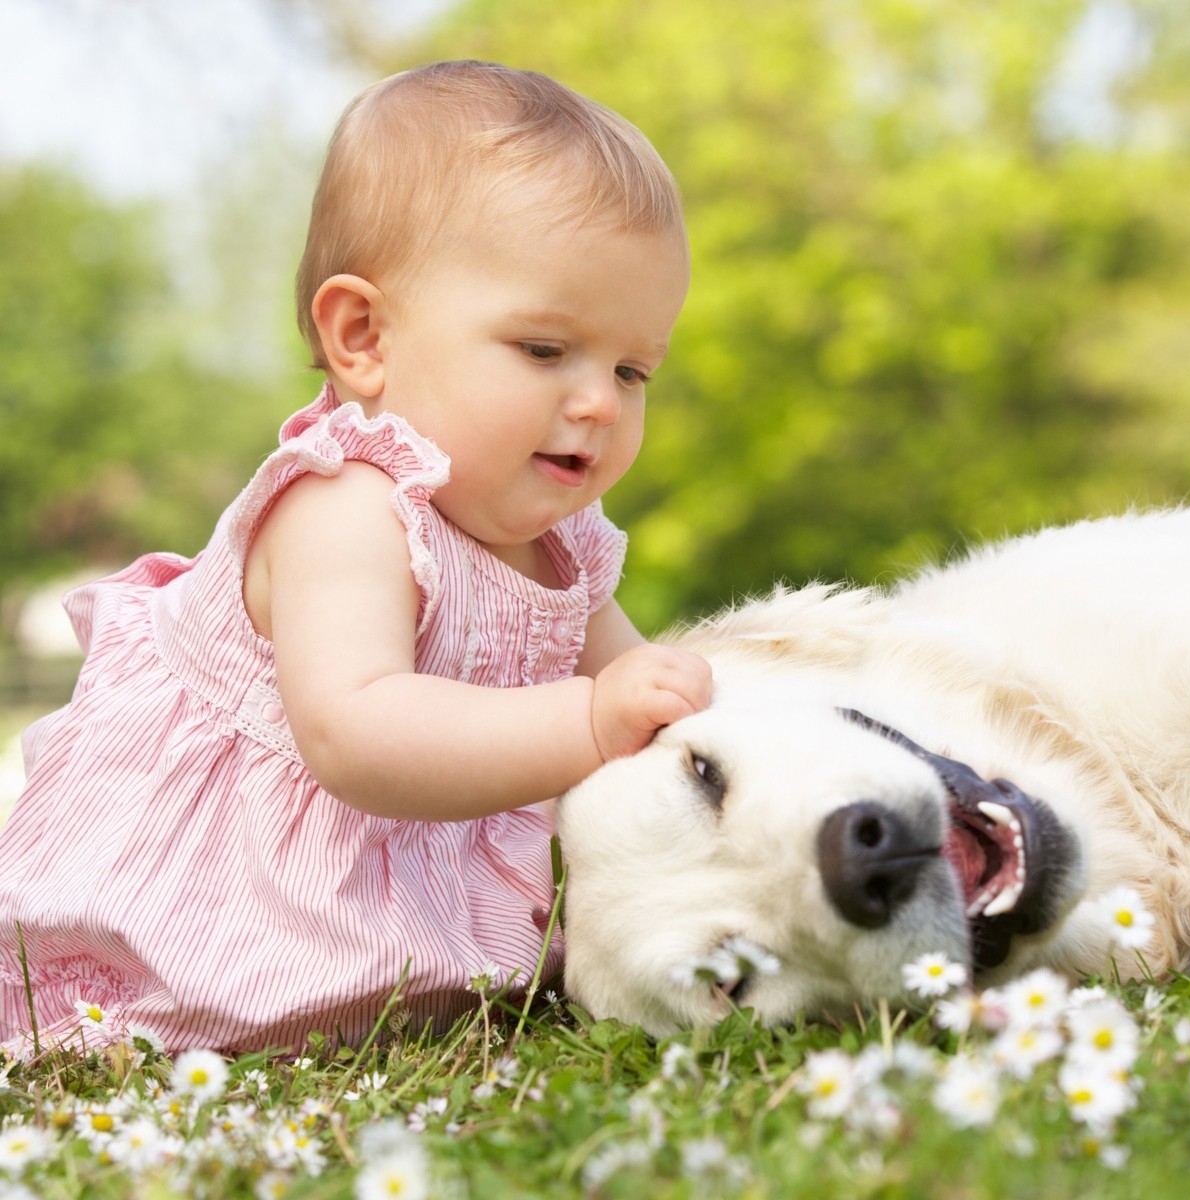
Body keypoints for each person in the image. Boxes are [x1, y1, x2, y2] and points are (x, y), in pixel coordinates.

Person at [0, 60, 713, 1056]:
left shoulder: (566, 548)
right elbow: (358, 733)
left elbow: (645, 692)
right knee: (159, 1014)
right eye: (547, 351)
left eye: (633, 368)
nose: (600, 401)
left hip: (403, 893)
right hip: (237, 889)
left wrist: (679, 711)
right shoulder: (346, 504)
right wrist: (592, 719)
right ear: (363, 335)